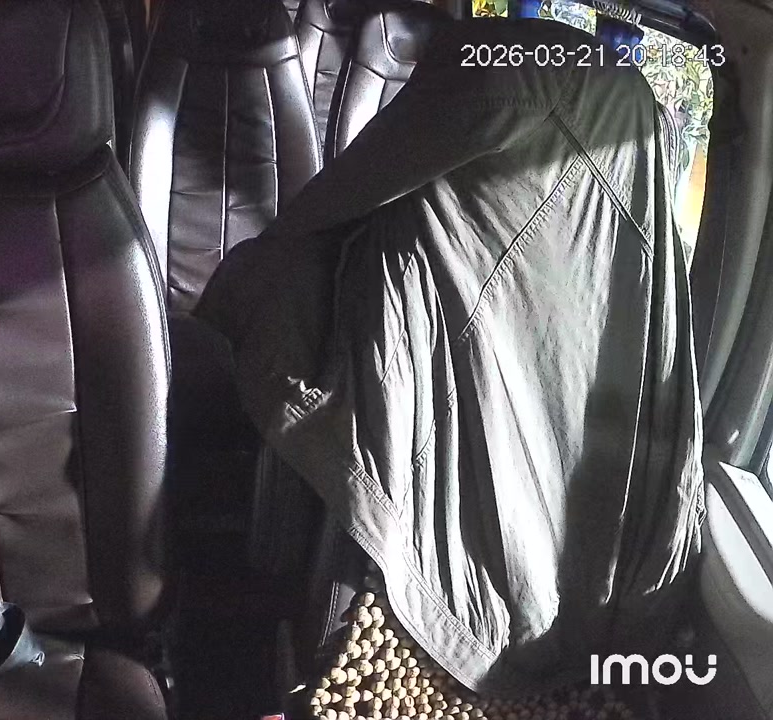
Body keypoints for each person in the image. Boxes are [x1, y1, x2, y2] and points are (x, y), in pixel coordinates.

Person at [194, 16, 704, 693]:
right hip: (568, 644)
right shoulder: (636, 256)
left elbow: (315, 226)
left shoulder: (414, 240)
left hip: (415, 624)